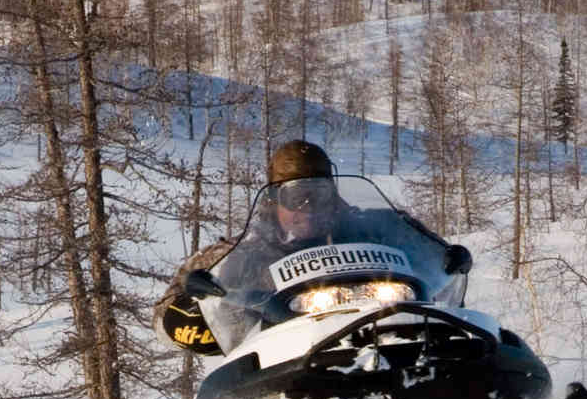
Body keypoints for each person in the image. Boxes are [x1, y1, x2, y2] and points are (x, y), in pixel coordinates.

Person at [153, 139, 471, 355]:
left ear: (332, 194)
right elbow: (165, 318)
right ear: (274, 199)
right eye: (295, 198)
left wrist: (446, 259)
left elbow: (431, 262)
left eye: (317, 196)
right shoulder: (243, 254)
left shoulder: (375, 230)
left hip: (386, 345)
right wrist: (197, 303)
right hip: (284, 361)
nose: (307, 208)